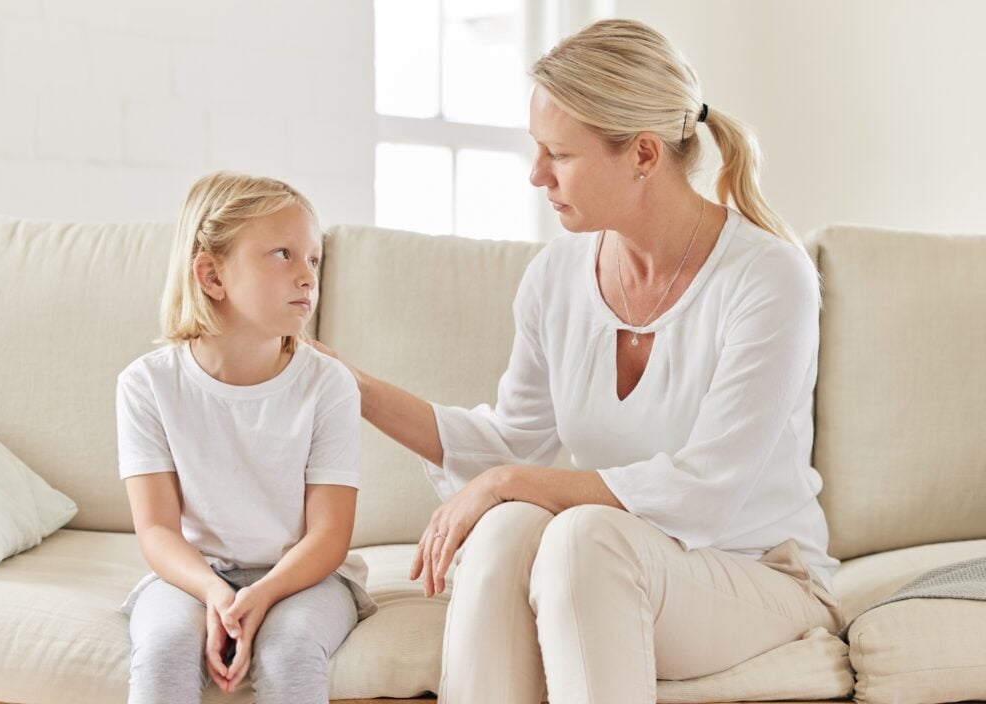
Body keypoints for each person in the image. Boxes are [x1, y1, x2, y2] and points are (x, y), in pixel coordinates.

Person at [312, 18, 843, 704]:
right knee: (509, 528)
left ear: (644, 155)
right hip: (626, 568)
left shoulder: (769, 278)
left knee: (585, 538)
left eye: (557, 154)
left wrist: (509, 479)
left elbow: (704, 489)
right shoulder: (556, 276)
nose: (537, 175)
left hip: (758, 575)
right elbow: (508, 445)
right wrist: (351, 387)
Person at [116, 171, 375, 704]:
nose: (307, 276)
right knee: (164, 648)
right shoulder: (146, 385)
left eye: (313, 258)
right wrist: (214, 592)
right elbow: (158, 531)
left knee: (288, 651)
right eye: (282, 254)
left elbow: (329, 535)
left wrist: (263, 594)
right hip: (194, 576)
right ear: (212, 276)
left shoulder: (329, 385)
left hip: (307, 579)